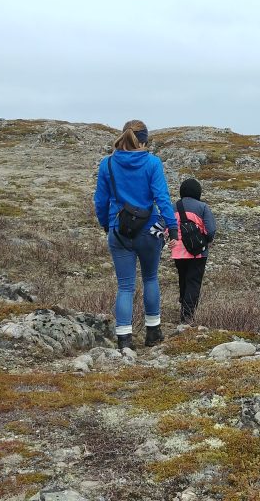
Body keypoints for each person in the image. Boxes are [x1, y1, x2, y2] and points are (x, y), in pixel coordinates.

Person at [93, 120, 178, 350]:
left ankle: (124, 339)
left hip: (118, 232)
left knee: (125, 286)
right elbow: (162, 198)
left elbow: (100, 201)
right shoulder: (152, 163)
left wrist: (107, 225)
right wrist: (172, 227)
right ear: (143, 140)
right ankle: (153, 332)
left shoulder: (107, 164)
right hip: (149, 232)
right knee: (150, 278)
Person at [172, 178, 216, 324]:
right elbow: (210, 231)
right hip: (198, 252)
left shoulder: (174, 206)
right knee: (193, 282)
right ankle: (187, 316)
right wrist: (205, 240)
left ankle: (183, 307)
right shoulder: (203, 207)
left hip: (178, 252)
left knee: (183, 279)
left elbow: (166, 227)